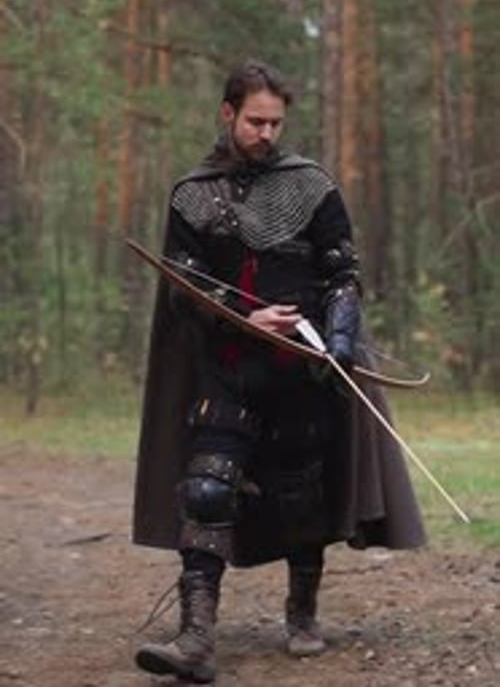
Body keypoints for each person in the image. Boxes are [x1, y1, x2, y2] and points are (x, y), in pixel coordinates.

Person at [133, 60, 425, 683]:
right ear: (227, 113)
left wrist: (339, 337)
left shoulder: (311, 185)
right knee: (207, 487)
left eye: (275, 122)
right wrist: (243, 316)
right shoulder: (192, 193)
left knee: (303, 495)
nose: (266, 132)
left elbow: (344, 273)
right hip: (229, 365)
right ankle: (196, 639)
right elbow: (184, 288)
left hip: (302, 369)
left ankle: (302, 613)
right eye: (254, 121)